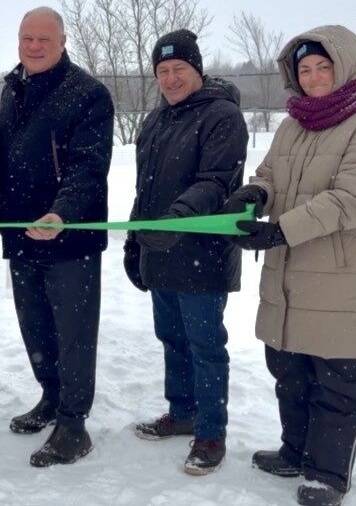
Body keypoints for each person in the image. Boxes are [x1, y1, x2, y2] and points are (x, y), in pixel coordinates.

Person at [222, 25, 356, 506]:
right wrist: (256, 192)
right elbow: (273, 173)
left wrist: (280, 230)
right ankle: (295, 451)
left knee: (334, 381)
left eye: (323, 66)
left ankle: (327, 475)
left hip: (343, 278)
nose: (315, 76)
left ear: (344, 67)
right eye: (305, 69)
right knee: (289, 369)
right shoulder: (294, 123)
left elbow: (352, 199)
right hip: (291, 275)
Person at [124, 29, 248, 475]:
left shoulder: (222, 116)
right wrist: (134, 240)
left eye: (179, 69)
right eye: (163, 71)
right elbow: (145, 188)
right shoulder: (157, 120)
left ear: (196, 70)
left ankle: (211, 432)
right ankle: (182, 413)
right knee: (172, 338)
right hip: (160, 251)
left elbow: (217, 181)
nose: (171, 78)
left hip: (202, 252)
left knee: (205, 345)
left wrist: (178, 217)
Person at [0, 7, 114, 467]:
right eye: (27, 37)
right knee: (36, 328)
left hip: (70, 240)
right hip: (22, 235)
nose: (35, 46)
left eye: (45, 38)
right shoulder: (12, 89)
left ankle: (73, 423)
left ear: (63, 41)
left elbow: (89, 166)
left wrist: (61, 212)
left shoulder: (88, 94)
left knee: (74, 333)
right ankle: (50, 396)